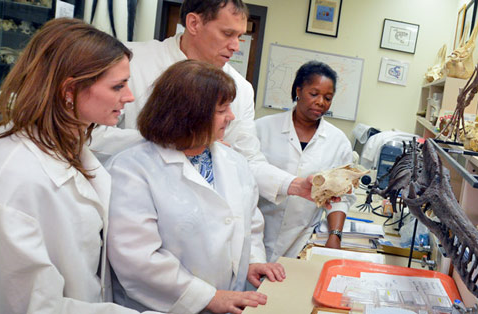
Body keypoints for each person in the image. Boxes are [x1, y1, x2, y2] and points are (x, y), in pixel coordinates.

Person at [0, 18, 149, 314]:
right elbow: (32, 307)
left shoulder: (63, 144)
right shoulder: (13, 178)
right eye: (118, 86)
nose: (129, 96)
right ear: (69, 90)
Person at [90, 0, 323, 209]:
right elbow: (91, 135)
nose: (236, 46)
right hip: (131, 202)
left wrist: (294, 184)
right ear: (194, 23)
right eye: (227, 33)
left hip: (199, 215)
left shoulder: (240, 89)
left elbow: (247, 158)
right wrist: (168, 142)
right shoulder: (133, 63)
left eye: (239, 36)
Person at [106, 60, 286, 314]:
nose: (231, 117)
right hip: (162, 307)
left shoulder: (234, 163)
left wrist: (252, 262)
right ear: (189, 114)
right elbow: (137, 258)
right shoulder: (132, 170)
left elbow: (250, 226)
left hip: (227, 300)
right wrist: (207, 297)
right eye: (222, 110)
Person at [255, 61, 356, 261]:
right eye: (314, 94)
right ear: (298, 90)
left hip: (300, 239)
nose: (321, 102)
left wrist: (334, 236)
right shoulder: (262, 128)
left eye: (328, 97)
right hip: (256, 232)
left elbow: (341, 197)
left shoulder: (338, 141)